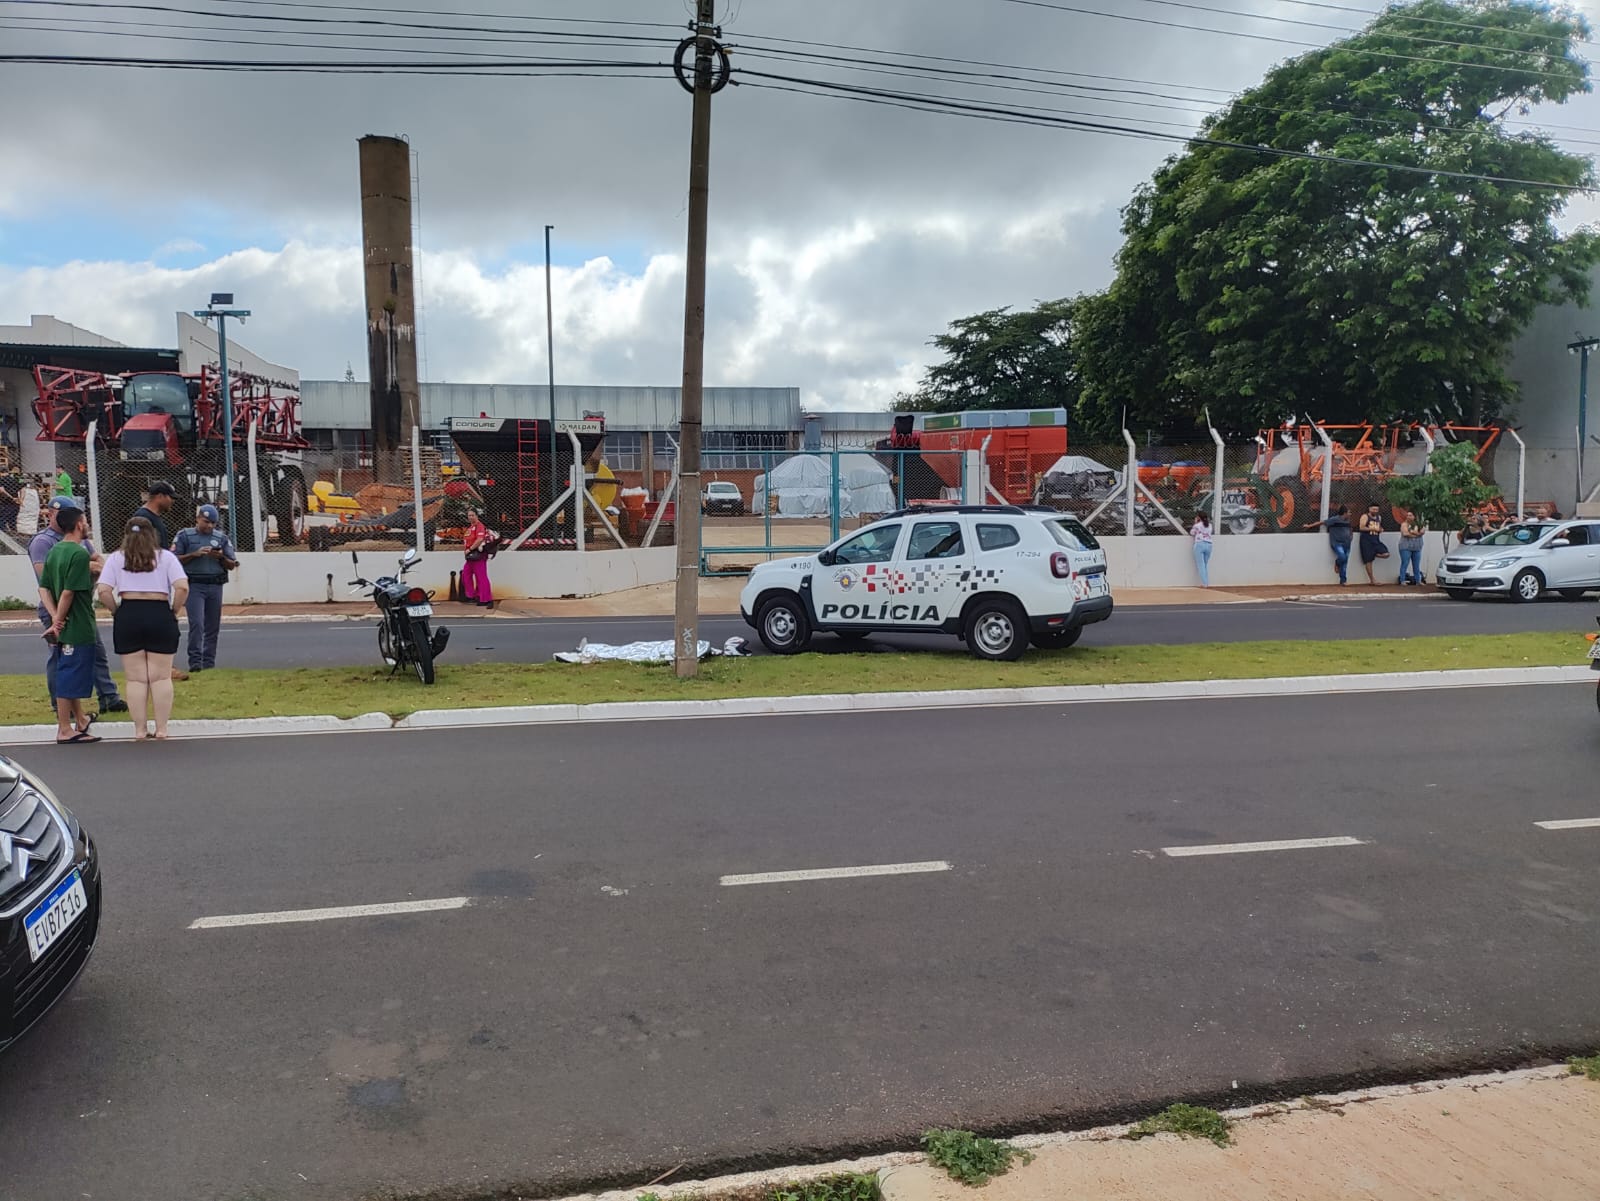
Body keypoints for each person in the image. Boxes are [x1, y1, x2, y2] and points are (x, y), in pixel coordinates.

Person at [30, 495, 127, 715]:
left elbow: (98, 562)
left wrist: (91, 566)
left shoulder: (76, 542)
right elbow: (56, 584)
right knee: (62, 658)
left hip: (78, 608)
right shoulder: (45, 542)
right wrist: (57, 617)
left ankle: (108, 698)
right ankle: (62, 707)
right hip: (60, 608)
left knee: (93, 653)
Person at [97, 516, 188, 741]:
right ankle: (162, 729)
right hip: (159, 612)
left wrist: (116, 611)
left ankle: (139, 729)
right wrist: (173, 611)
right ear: (153, 534)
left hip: (129, 613)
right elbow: (182, 587)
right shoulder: (166, 557)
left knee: (136, 678)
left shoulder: (117, 558)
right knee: (161, 677)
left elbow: (103, 590)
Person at [38, 506, 101, 745]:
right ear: (78, 524)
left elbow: (44, 588)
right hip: (77, 624)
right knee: (70, 674)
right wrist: (59, 621)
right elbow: (68, 593)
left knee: (69, 670)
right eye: (85, 521)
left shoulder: (54, 551)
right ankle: (64, 728)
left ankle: (81, 719)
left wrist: (54, 616)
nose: (86, 525)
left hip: (64, 623)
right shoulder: (78, 554)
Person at [173, 504, 237, 672]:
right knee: (197, 624)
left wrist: (220, 557)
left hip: (215, 584)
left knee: (212, 626)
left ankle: (209, 663)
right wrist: (193, 555)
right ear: (198, 519)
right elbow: (172, 560)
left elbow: (232, 564)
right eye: (206, 521)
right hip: (194, 585)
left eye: (213, 523)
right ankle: (195, 662)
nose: (209, 526)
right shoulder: (184, 536)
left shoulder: (221, 538)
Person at [462, 509, 496, 608]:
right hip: (470, 556)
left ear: (477, 516)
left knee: (481, 577)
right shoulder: (470, 527)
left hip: (478, 555)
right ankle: (472, 595)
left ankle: (487, 599)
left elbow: (480, 539)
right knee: (466, 574)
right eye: (469, 515)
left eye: (472, 515)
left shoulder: (479, 526)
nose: (470, 517)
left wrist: (470, 549)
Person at [132, 479, 176, 549]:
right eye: (171, 497)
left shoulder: (154, 516)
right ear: (160, 496)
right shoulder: (143, 516)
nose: (173, 501)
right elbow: (139, 548)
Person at [1317, 505, 1354, 585]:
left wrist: (1351, 535)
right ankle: (1337, 563)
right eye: (1349, 512)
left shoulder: (1348, 520)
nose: (1350, 514)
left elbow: (1350, 528)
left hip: (1347, 543)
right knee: (1342, 557)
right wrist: (1309, 526)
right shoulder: (1335, 519)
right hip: (1337, 543)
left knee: (1345, 562)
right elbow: (1323, 522)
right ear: (1344, 513)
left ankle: (1343, 580)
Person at [1357, 503, 1390, 586]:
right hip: (1366, 540)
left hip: (1376, 540)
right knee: (1368, 561)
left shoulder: (1379, 517)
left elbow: (1379, 527)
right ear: (1369, 509)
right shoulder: (1365, 516)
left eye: (1376, 510)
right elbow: (1361, 527)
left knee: (1386, 554)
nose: (1375, 511)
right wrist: (1373, 528)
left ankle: (1374, 554)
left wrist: (1381, 529)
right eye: (1373, 509)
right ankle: (1372, 579)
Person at [1397, 510, 1426, 586]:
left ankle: (1418, 581)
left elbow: (1422, 532)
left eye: (1410, 515)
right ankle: (1402, 580)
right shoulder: (1404, 524)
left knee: (1416, 564)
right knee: (1405, 563)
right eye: (1407, 515)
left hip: (1417, 547)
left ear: (1414, 517)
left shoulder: (1419, 524)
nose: (1408, 517)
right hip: (1405, 547)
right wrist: (1416, 534)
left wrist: (1413, 532)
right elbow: (1405, 533)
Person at [1189, 511, 1213, 587]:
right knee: (1205, 565)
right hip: (1209, 545)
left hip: (1199, 544)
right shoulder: (1210, 525)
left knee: (1200, 565)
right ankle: (1206, 582)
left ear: (1198, 517)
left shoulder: (1197, 525)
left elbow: (1192, 533)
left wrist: (1195, 523)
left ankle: (1205, 584)